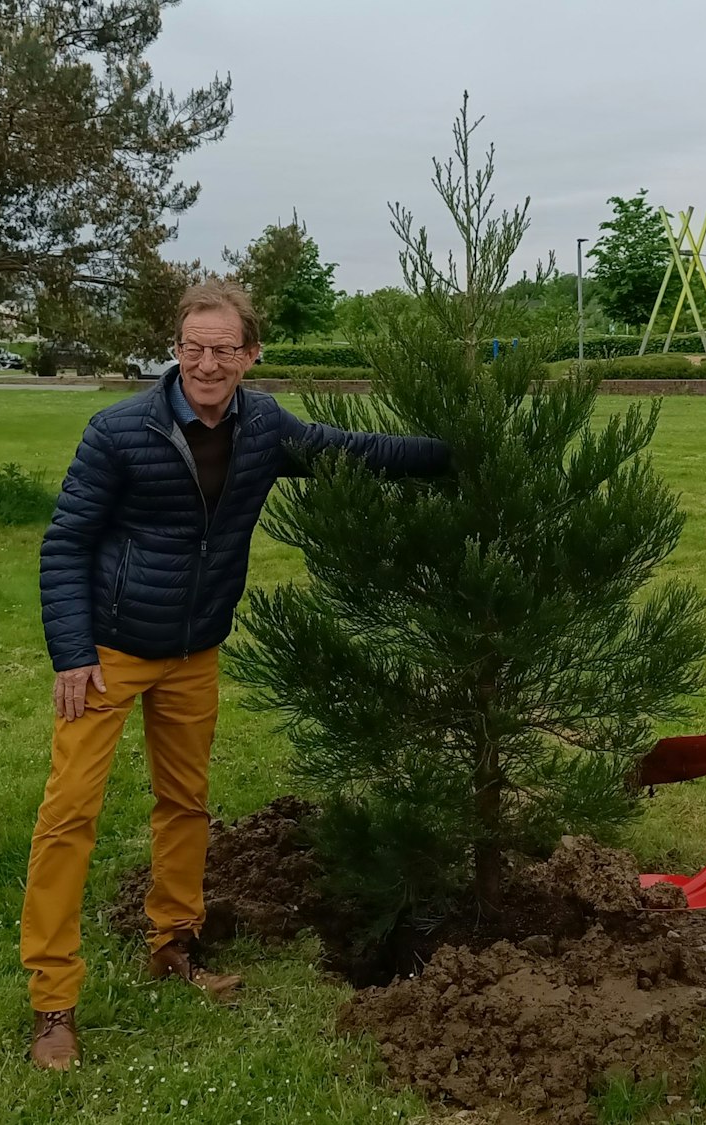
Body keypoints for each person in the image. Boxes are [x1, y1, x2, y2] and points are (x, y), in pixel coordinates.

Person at [22, 279, 449, 1070]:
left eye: (223, 348)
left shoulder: (263, 428)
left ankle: (173, 945)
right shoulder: (119, 431)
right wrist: (73, 652)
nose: (206, 362)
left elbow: (355, 453)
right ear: (175, 349)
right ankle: (53, 1001)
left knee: (185, 803)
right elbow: (66, 542)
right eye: (193, 346)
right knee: (69, 815)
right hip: (112, 652)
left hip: (195, 651)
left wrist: (456, 451)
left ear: (252, 354)